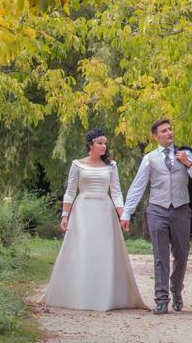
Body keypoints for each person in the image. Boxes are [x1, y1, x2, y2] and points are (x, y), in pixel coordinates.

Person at [44, 130, 148, 311]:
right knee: (84, 248)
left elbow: (116, 192)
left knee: (104, 249)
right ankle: (80, 294)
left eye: (105, 143)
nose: (104, 146)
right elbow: (70, 191)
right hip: (83, 209)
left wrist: (123, 215)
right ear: (90, 144)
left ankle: (105, 295)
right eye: (100, 143)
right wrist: (64, 216)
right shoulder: (77, 165)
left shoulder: (111, 166)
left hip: (104, 210)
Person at [120, 118, 192, 314]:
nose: (169, 133)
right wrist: (127, 212)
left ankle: (176, 290)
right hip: (157, 210)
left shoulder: (185, 155)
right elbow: (137, 186)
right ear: (155, 136)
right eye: (164, 130)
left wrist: (188, 164)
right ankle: (161, 299)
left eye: (170, 129)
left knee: (182, 255)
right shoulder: (149, 158)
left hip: (181, 210)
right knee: (160, 256)